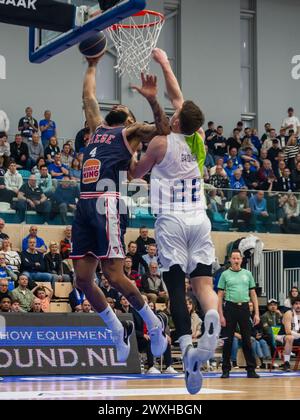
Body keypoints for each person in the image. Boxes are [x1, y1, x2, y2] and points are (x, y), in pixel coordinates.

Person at [129, 48, 220, 395]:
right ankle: (211, 317)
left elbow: (135, 173)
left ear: (179, 120)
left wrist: (131, 149)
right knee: (204, 288)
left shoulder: (160, 143)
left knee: (175, 292)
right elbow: (177, 96)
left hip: (171, 223)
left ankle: (187, 349)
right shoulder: (198, 140)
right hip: (200, 219)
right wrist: (166, 64)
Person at [69, 53, 170, 364]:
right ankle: (115, 329)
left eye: (125, 110)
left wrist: (152, 100)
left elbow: (163, 129)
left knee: (113, 275)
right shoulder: (97, 128)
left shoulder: (130, 133)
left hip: (107, 203)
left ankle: (154, 325)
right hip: (85, 205)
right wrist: (93, 63)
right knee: (83, 280)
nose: (120, 108)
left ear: (128, 121)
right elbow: (88, 96)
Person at [218, 249, 260, 379]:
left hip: (245, 308)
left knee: (247, 340)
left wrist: (257, 313)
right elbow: (219, 296)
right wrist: (220, 314)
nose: (236, 261)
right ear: (230, 259)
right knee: (228, 341)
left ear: (241, 259)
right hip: (230, 308)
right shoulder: (225, 274)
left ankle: (251, 369)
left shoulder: (247, 274)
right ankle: (225, 369)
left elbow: (253, 294)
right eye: (234, 258)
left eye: (238, 258)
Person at [276, 297, 300, 371]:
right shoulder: (289, 313)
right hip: (282, 336)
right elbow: (288, 331)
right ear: (292, 306)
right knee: (290, 337)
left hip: (297, 336)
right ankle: (286, 363)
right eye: (296, 304)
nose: (298, 306)